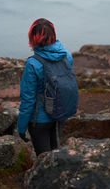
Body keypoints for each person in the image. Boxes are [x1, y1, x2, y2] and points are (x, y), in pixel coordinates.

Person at [17, 18, 75, 156]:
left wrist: (21, 128)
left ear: (33, 38)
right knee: (56, 154)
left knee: (44, 158)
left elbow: (28, 100)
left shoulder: (33, 64)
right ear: (53, 35)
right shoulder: (67, 56)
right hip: (60, 114)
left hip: (39, 120)